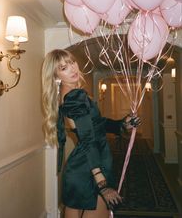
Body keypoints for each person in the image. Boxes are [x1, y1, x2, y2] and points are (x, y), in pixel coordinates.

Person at [42, 49, 140, 218]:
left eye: (72, 62)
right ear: (56, 75)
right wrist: (102, 184)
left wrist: (122, 124)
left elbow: (97, 125)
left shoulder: (70, 95)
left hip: (82, 166)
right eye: (63, 68)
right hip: (91, 166)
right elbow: (88, 139)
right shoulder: (75, 97)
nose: (72, 69)